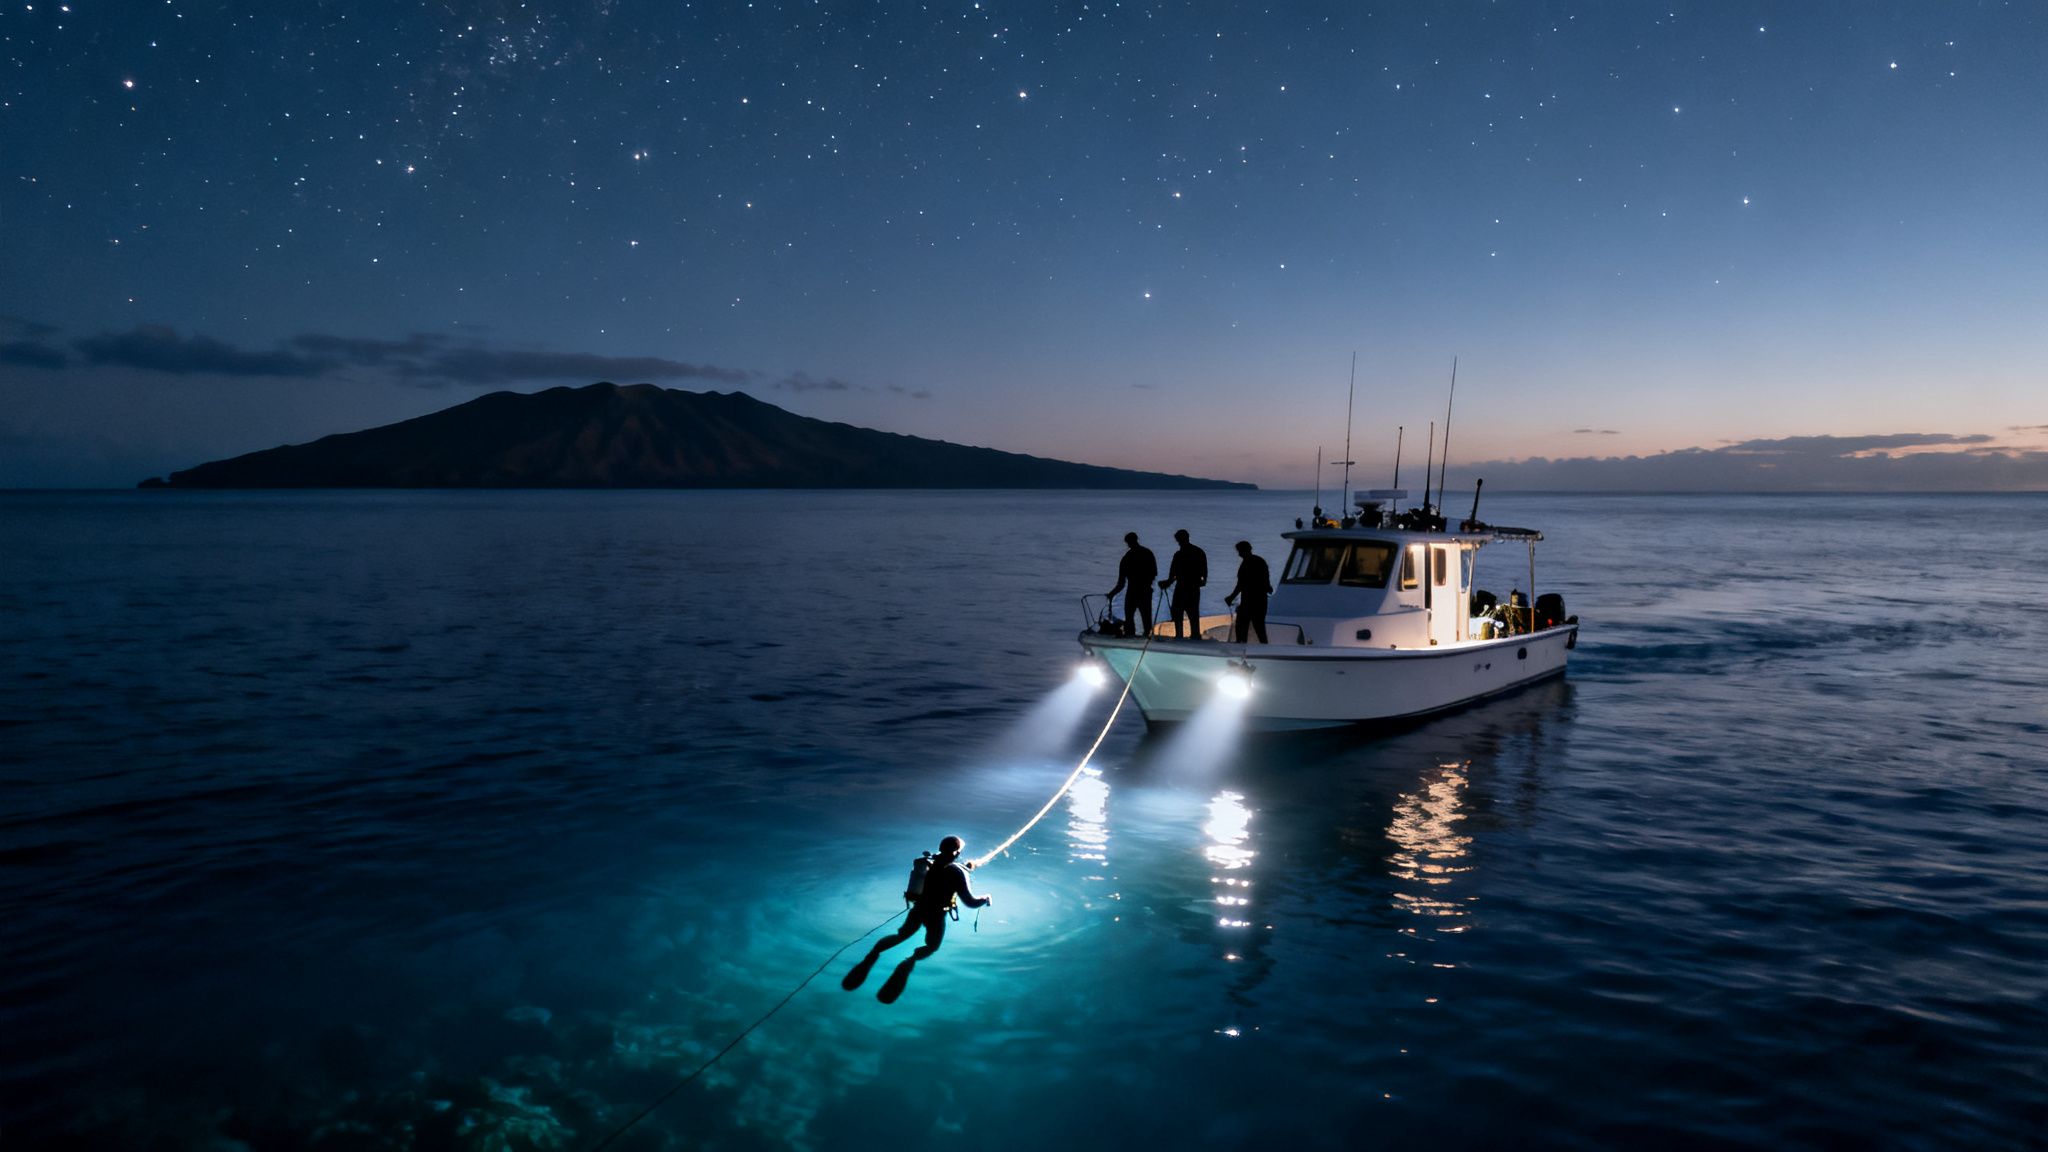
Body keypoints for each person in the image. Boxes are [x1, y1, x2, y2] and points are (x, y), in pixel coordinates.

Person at [844, 835, 992, 1002]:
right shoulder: (957, 872)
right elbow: (970, 902)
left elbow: (946, 870)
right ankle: (909, 962)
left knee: (901, 936)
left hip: (919, 909)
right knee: (931, 946)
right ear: (957, 853)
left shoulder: (931, 862)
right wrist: (985, 898)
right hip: (936, 916)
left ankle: (872, 955)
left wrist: (966, 867)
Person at [1158, 528, 1208, 639]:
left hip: (1182, 587)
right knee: (1192, 613)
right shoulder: (1198, 552)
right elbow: (1204, 573)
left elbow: (1172, 575)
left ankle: (1180, 636)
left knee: (1179, 612)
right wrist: (1202, 581)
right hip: (1193, 587)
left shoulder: (1179, 555)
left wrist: (1167, 583)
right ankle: (1194, 635)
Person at [1106, 532, 1158, 638]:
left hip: (1134, 592)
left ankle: (1132, 637)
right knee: (1144, 617)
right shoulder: (1147, 553)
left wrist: (1112, 593)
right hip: (1143, 592)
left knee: (1132, 617)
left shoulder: (1127, 558)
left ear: (1127, 542)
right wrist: (1112, 593)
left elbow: (1121, 583)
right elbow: (1154, 574)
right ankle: (1144, 636)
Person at [1223, 540, 1273, 644]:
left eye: (1239, 551)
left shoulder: (1247, 564)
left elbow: (1241, 584)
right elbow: (1266, 581)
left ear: (1244, 550)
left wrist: (1231, 597)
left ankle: (1241, 645)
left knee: (1242, 623)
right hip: (1261, 600)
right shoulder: (1260, 561)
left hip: (1250, 601)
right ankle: (1264, 646)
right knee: (1259, 625)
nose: (1239, 553)